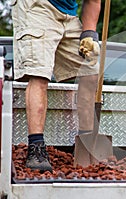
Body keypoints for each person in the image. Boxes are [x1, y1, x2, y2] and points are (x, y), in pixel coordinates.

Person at [11, 0, 101, 172]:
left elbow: (93, 1)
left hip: (68, 14)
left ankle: (85, 143)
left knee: (90, 70)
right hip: (37, 6)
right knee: (40, 72)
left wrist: (89, 33)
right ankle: (36, 149)